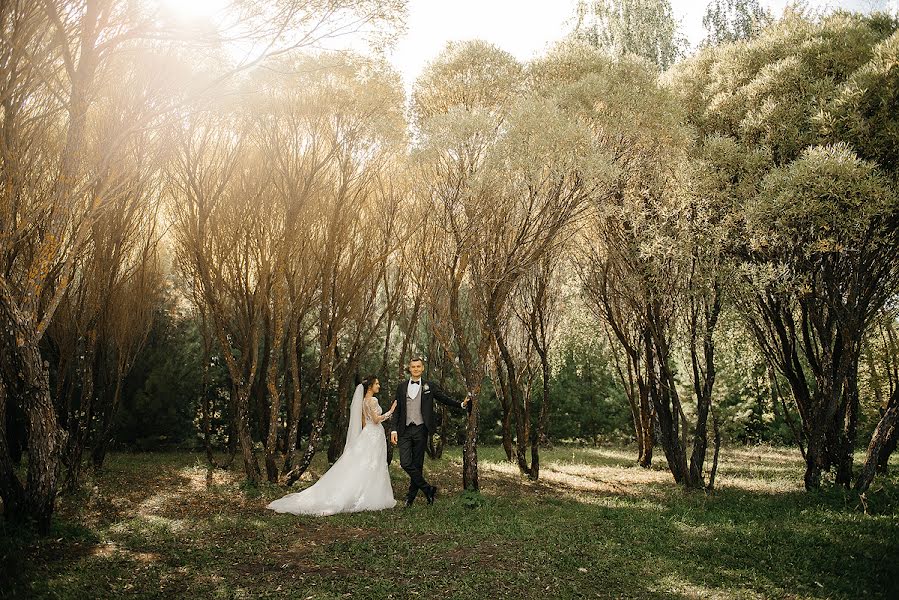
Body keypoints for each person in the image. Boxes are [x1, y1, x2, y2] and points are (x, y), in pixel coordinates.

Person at [266, 376, 397, 516]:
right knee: (373, 465)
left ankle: (364, 493)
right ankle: (371, 496)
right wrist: (391, 411)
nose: (379, 385)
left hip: (368, 434)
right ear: (370, 386)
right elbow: (376, 420)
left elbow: (364, 421)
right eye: (377, 383)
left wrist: (365, 435)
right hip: (374, 435)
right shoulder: (373, 400)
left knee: (366, 465)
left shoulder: (364, 401)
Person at [390, 356, 470, 507]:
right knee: (405, 463)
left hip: (421, 429)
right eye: (413, 367)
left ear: (422, 368)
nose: (416, 369)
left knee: (417, 464)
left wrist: (461, 404)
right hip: (404, 429)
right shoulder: (401, 387)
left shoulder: (429, 386)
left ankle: (410, 498)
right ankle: (428, 489)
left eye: (418, 366)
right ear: (409, 368)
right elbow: (398, 410)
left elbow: (443, 398)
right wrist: (393, 429)